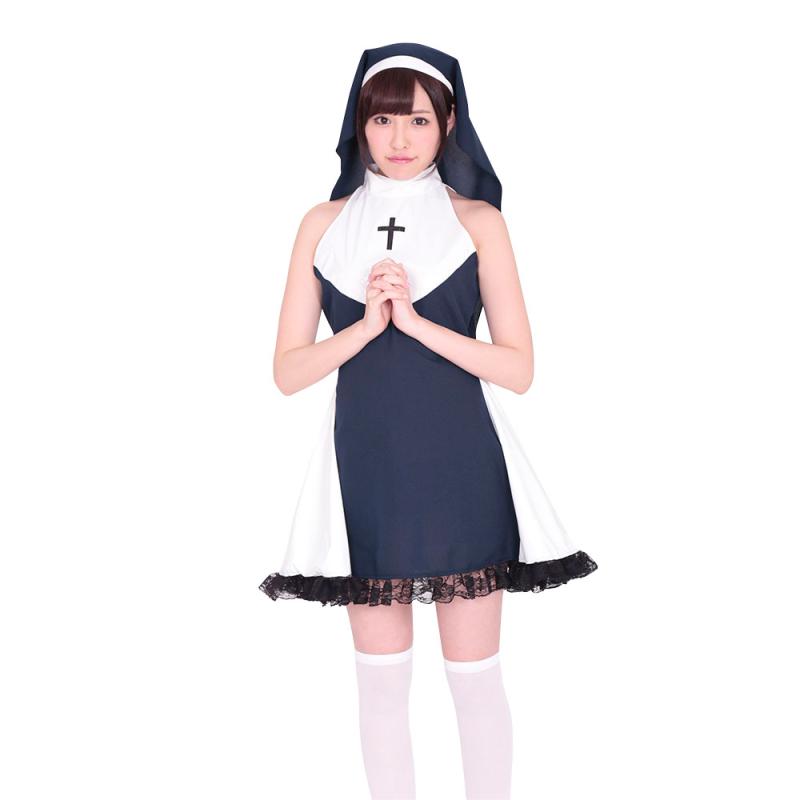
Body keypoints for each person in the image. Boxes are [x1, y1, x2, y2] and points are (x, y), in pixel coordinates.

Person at [259, 43, 598, 799]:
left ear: (449, 123)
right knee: (380, 684)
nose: (400, 138)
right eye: (383, 119)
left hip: (460, 466)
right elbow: (288, 372)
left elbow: (518, 368)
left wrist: (415, 324)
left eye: (418, 119)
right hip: (366, 470)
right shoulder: (323, 224)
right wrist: (366, 328)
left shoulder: (478, 222)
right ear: (360, 126)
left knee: (474, 680)